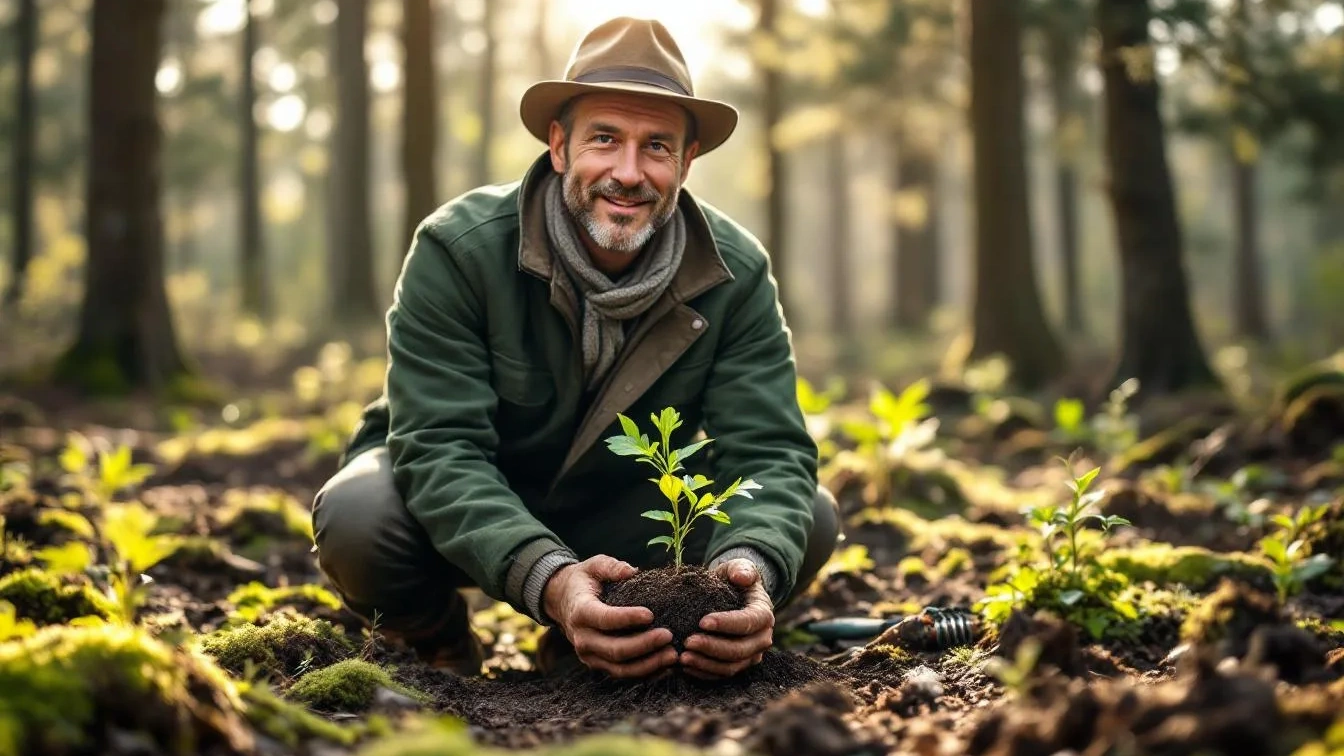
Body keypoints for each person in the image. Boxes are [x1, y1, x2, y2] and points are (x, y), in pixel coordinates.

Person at [311, 16, 840, 681]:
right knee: (359, 516)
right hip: (470, 503)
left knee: (806, 520)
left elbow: (770, 453)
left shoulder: (734, 272)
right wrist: (554, 582)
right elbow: (440, 447)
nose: (628, 171)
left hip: (631, 518)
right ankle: (434, 642)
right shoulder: (459, 249)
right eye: (604, 139)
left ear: (686, 160)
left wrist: (751, 570)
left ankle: (623, 637)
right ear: (559, 145)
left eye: (656, 146)